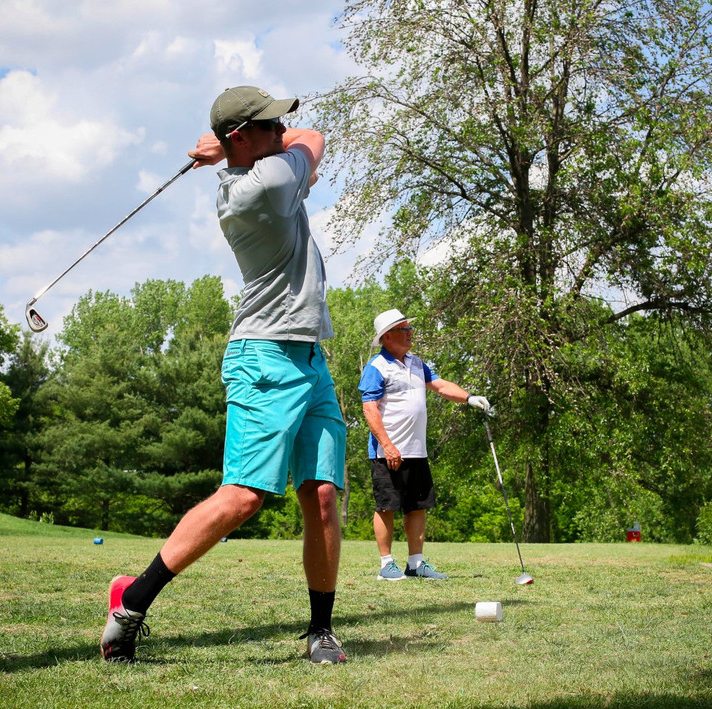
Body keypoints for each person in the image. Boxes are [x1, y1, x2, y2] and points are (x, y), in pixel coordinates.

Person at [100, 86, 347, 665]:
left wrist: (228, 153)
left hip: (310, 358)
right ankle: (131, 602)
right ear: (243, 138)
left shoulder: (254, 171)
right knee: (244, 497)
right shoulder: (263, 186)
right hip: (263, 357)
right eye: (270, 127)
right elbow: (316, 141)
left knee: (324, 496)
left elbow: (291, 141)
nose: (284, 131)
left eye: (281, 124)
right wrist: (238, 153)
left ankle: (320, 632)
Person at [359, 309, 491, 581]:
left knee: (417, 505)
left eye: (409, 328)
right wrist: (388, 445)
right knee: (387, 506)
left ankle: (416, 564)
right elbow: (369, 409)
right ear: (387, 336)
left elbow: (441, 386)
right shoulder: (376, 367)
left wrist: (469, 397)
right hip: (387, 452)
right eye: (403, 329)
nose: (410, 333)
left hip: (416, 450)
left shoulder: (417, 363)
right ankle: (386, 565)